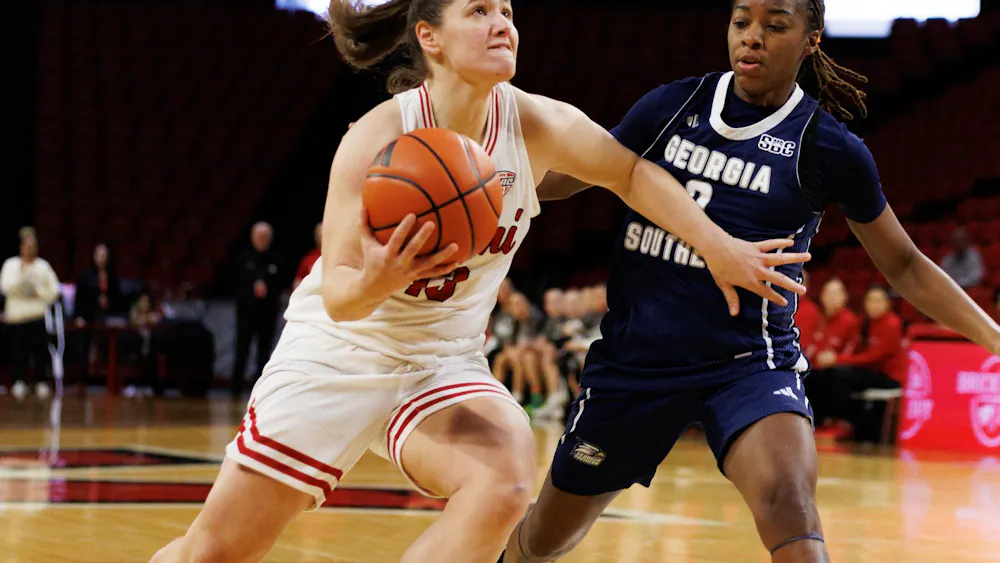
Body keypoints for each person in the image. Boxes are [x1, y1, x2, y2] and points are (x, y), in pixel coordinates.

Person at [151, 1, 810, 561]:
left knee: (502, 483)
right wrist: (382, 275)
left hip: (442, 361)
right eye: (479, 10)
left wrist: (719, 246)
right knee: (214, 550)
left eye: (507, 11)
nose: (502, 23)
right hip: (341, 352)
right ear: (429, 38)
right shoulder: (375, 138)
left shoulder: (534, 123)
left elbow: (632, 174)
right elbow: (343, 297)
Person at [502, 1, 1000, 562]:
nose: (753, 38)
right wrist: (485, 183)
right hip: (635, 363)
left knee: (790, 502)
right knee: (544, 538)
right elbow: (574, 176)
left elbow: (905, 265)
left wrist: (993, 339)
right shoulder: (674, 105)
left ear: (811, 40)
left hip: (747, 362)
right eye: (742, 23)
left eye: (775, 25)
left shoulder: (827, 145)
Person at [813, 286, 905, 442]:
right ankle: (821, 421)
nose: (873, 305)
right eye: (869, 301)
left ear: (888, 304)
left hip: (888, 377)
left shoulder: (892, 324)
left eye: (878, 301)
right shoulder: (864, 322)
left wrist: (838, 359)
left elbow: (874, 357)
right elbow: (855, 351)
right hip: (868, 372)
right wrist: (833, 358)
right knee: (822, 373)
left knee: (842, 375)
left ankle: (844, 421)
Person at [0, 229, 61, 400]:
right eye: (27, 246)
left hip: (37, 317)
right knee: (18, 352)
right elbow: (5, 287)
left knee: (41, 352)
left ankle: (41, 382)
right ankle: (19, 381)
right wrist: (22, 281)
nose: (30, 249)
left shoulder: (43, 266)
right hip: (16, 318)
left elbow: (55, 290)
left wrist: (38, 293)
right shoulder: (11, 265)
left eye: (34, 246)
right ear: (21, 247)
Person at [230, 221, 283, 397]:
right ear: (253, 237)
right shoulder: (243, 258)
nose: (262, 239)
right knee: (242, 349)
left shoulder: (276, 259)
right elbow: (235, 285)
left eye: (265, 237)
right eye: (259, 236)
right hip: (246, 312)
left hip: (267, 313)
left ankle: (261, 390)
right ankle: (235, 389)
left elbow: (281, 286)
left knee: (264, 351)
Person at [293, 222, 323, 289]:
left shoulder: (336, 256)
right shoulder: (309, 258)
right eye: (319, 235)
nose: (321, 238)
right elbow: (298, 281)